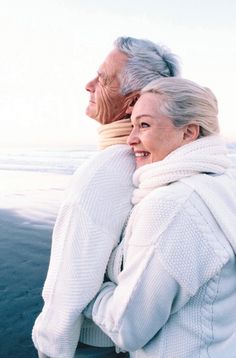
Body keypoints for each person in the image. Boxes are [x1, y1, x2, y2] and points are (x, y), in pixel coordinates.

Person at [32, 37, 180, 358]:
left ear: (133, 102)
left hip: (92, 345)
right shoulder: (164, 162)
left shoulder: (107, 170)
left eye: (102, 79)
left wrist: (49, 351)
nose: (88, 85)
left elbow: (66, 291)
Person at [84, 77, 236, 357]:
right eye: (132, 126)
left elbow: (126, 327)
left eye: (144, 125)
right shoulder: (223, 185)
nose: (130, 139)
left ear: (189, 132)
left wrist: (87, 288)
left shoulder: (171, 207)